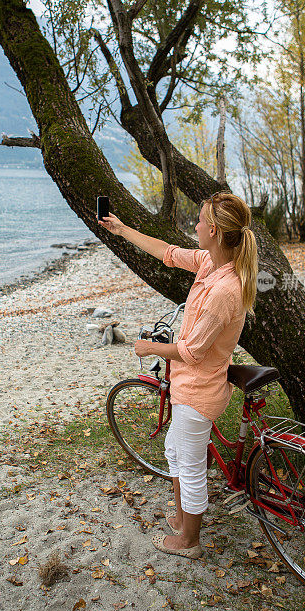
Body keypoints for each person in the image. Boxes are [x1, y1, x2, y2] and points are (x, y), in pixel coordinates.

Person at [100, 193, 258, 559]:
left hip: (199, 391)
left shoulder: (224, 290)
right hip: (190, 386)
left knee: (189, 468)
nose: (196, 226)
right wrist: (122, 230)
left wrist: (150, 347)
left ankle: (189, 541)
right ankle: (182, 517)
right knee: (176, 451)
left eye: (201, 222)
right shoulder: (210, 263)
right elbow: (168, 253)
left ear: (215, 231)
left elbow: (191, 351)